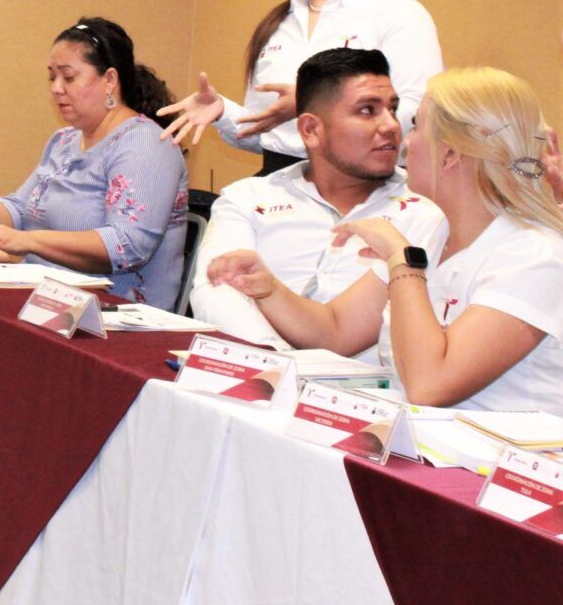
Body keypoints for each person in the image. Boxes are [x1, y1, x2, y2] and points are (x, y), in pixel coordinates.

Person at [207, 67, 563, 414]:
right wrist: (267, 289)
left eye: (417, 126)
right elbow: (336, 330)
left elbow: (430, 385)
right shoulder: (432, 230)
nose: (404, 141)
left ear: (450, 154)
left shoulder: (535, 255)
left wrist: (400, 258)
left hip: (495, 452)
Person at [160, 0, 442, 175]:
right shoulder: (277, 24)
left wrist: (318, 102)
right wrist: (221, 111)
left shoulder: (397, 12)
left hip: (364, 185)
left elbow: (422, 116)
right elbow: (267, 135)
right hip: (279, 181)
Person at [191, 48, 446, 349]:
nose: (391, 125)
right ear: (311, 129)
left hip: (376, 378)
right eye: (367, 110)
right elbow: (217, 289)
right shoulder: (248, 198)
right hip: (260, 366)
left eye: (393, 109)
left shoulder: (426, 209)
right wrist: (275, 363)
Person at [0, 17, 188, 305]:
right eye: (52, 77)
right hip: (48, 298)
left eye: (68, 77)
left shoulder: (146, 143)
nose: (56, 88)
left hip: (113, 311)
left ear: (109, 80)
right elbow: (20, 209)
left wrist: (29, 241)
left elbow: (127, 245)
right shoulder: (65, 140)